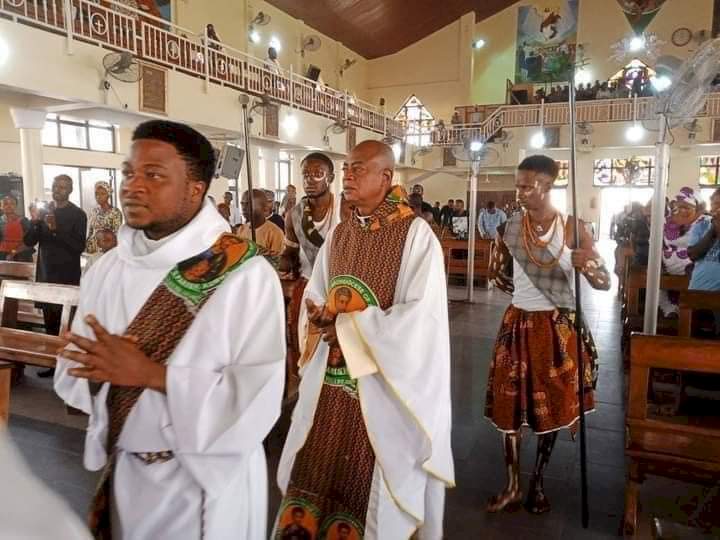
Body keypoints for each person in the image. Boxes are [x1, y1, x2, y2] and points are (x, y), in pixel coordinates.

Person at [53, 119, 285, 539]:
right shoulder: (109, 268)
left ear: (196, 188)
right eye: (129, 173)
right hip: (126, 471)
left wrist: (151, 375)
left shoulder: (244, 274)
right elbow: (78, 380)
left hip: (200, 487)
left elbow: (259, 396)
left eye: (154, 175)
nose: (133, 186)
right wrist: (83, 369)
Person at [276, 140, 454, 539]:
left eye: (358, 168)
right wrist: (317, 315)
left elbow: (419, 322)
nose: (349, 175)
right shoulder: (340, 234)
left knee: (373, 506)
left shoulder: (415, 235)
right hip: (331, 386)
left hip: (382, 391)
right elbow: (316, 292)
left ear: (386, 177)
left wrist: (345, 327)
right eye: (347, 168)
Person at [485, 155, 610, 515]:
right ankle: (511, 485)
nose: (520, 191)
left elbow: (603, 284)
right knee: (509, 408)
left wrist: (586, 263)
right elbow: (496, 276)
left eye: (527, 185)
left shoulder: (573, 228)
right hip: (517, 324)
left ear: (548, 185)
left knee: (551, 404)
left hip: (557, 327)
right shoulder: (509, 228)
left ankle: (537, 481)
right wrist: (528, 295)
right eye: (518, 184)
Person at [25, 175, 87, 377]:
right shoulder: (45, 211)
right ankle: (53, 364)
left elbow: (79, 246)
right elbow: (29, 242)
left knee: (66, 323)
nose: (57, 189)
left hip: (66, 274)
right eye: (55, 185)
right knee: (49, 322)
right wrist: (35, 222)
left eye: (62, 187)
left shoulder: (78, 214)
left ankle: (68, 366)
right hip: (45, 271)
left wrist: (55, 229)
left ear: (70, 190)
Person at [279, 153, 339, 281]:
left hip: (338, 286)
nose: (309, 180)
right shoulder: (294, 215)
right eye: (305, 175)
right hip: (307, 284)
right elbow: (291, 254)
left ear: (331, 178)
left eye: (318, 174)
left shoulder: (344, 210)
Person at [660, 187, 704, 317]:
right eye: (679, 206)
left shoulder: (704, 223)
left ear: (697, 209)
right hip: (668, 271)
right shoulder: (669, 222)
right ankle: (669, 310)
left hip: (693, 273)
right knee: (656, 280)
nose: (682, 210)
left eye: (687, 207)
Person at [237, 188, 284, 258]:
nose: (243, 208)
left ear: (264, 208)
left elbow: (277, 262)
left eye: (248, 204)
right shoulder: (241, 229)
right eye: (242, 204)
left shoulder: (275, 233)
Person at [86, 181, 123, 254]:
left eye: (102, 194)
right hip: (91, 252)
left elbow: (117, 235)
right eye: (96, 194)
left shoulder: (115, 212)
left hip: (107, 252)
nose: (98, 196)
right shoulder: (94, 211)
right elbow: (90, 232)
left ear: (108, 195)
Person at [0, 194, 33, 262]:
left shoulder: (23, 221)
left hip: (21, 256)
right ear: (1, 206)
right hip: (2, 256)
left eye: (12, 204)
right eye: (5, 204)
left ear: (16, 206)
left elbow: (30, 241)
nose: (9, 206)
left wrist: (13, 252)